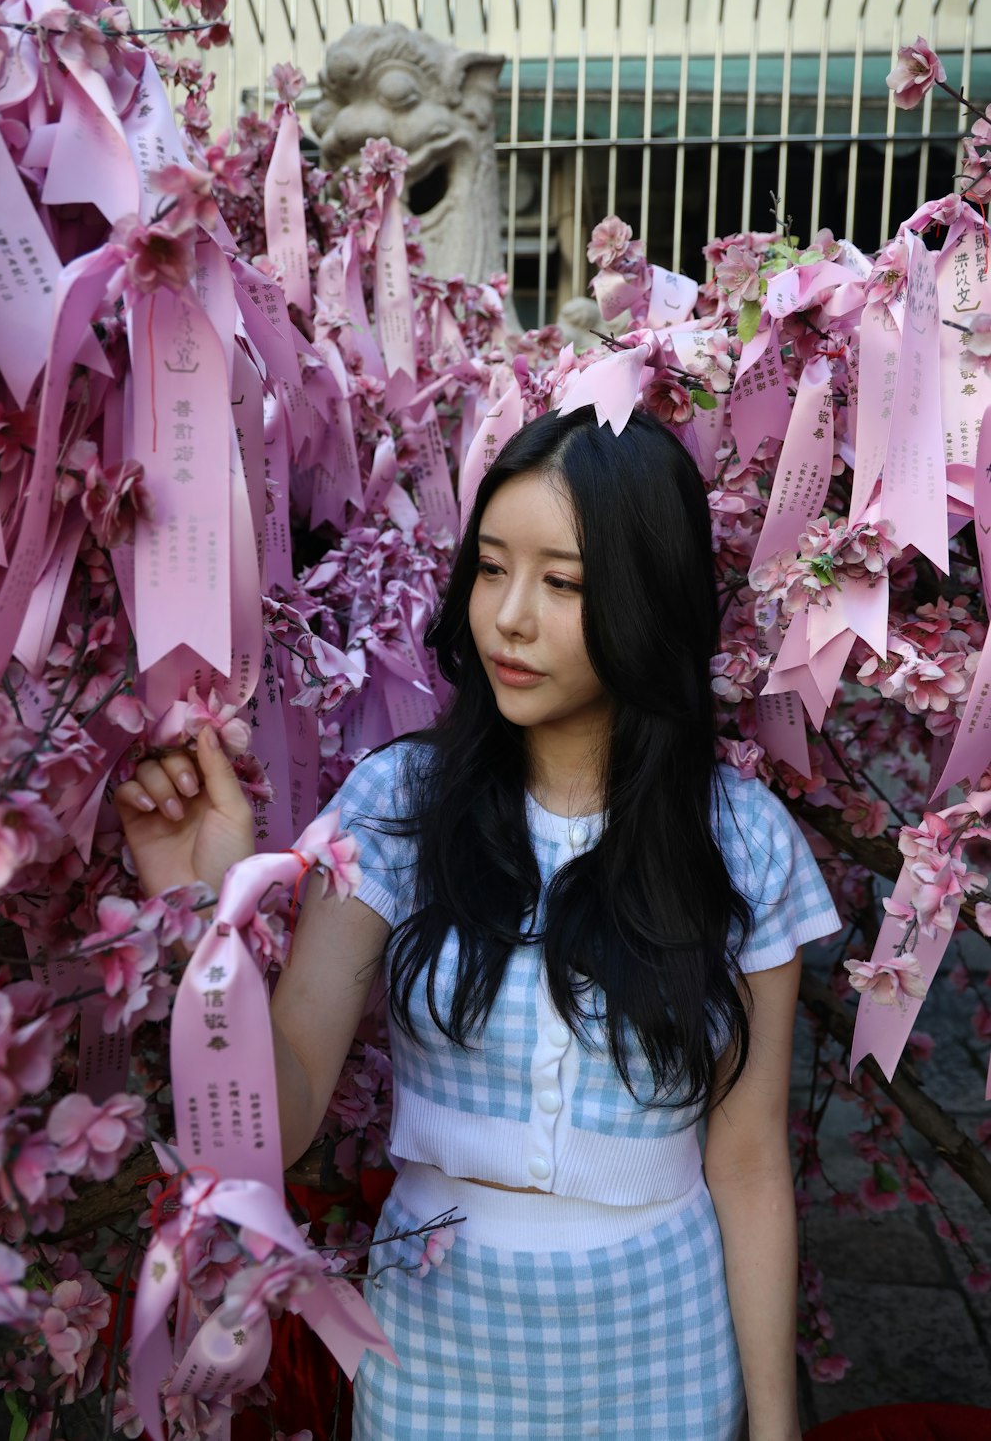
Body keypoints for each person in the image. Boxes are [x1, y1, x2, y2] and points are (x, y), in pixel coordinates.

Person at [117, 404, 840, 1441]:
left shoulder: (741, 842)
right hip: (434, 1353)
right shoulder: (396, 810)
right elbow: (287, 1110)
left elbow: (748, 1162)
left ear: (649, 601)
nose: (506, 617)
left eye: (562, 582)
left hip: (664, 1351)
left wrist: (774, 1429)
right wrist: (205, 920)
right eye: (492, 568)